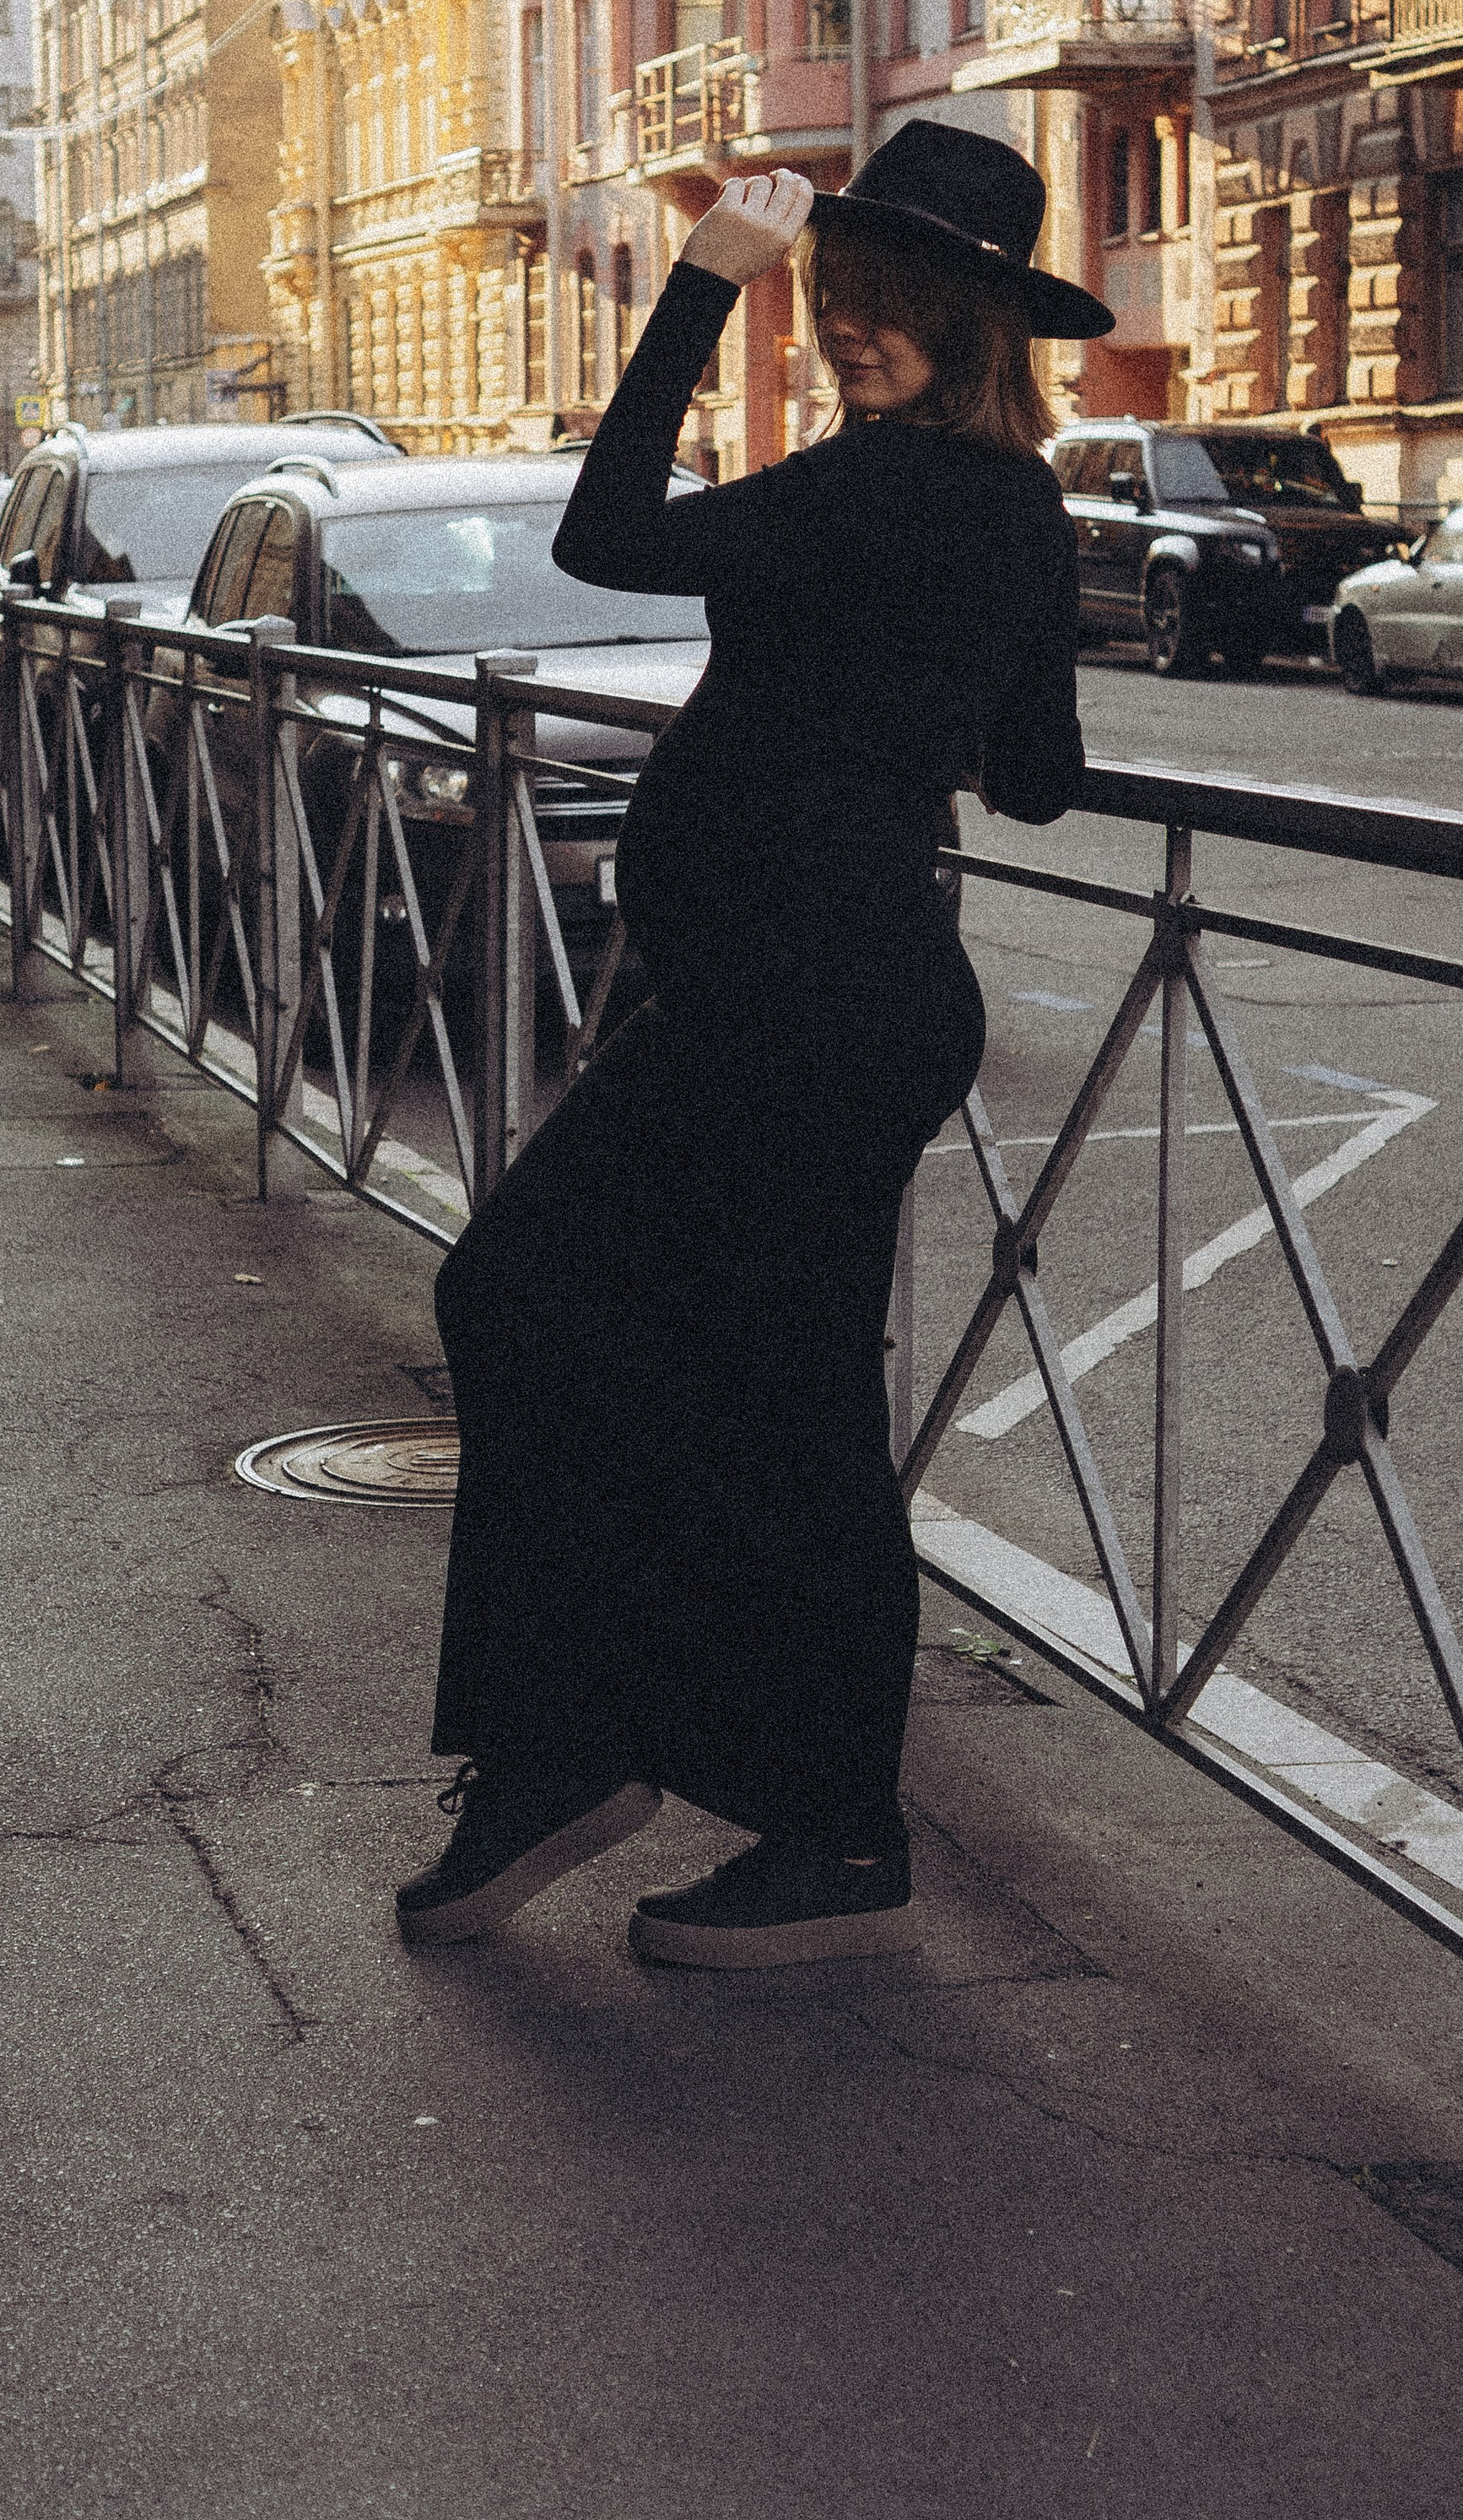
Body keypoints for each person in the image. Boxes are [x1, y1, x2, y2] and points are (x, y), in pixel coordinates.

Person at [397, 119, 1110, 1970]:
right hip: (812, 994)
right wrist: (918, 693)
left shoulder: (875, 491)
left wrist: (700, 285)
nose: (851, 329)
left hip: (805, 1003)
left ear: (969, 323)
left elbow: (606, 529)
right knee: (666, 1354)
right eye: (837, 296)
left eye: (887, 306)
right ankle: (638, 1765)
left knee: (601, 1328)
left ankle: (761, 1809)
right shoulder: (1000, 505)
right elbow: (1037, 781)